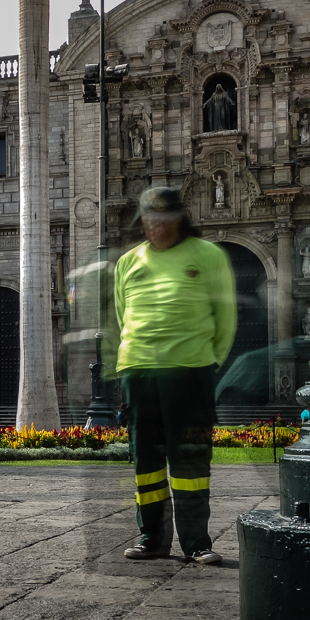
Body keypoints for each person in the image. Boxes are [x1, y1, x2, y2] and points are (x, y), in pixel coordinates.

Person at [115, 187, 237, 565]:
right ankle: (152, 539)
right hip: (138, 373)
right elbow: (123, 317)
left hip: (190, 374)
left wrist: (205, 362)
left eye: (165, 220)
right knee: (146, 463)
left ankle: (197, 542)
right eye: (150, 219)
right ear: (142, 223)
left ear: (180, 220)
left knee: (191, 463)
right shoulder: (127, 262)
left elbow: (226, 319)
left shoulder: (209, 256)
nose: (157, 227)